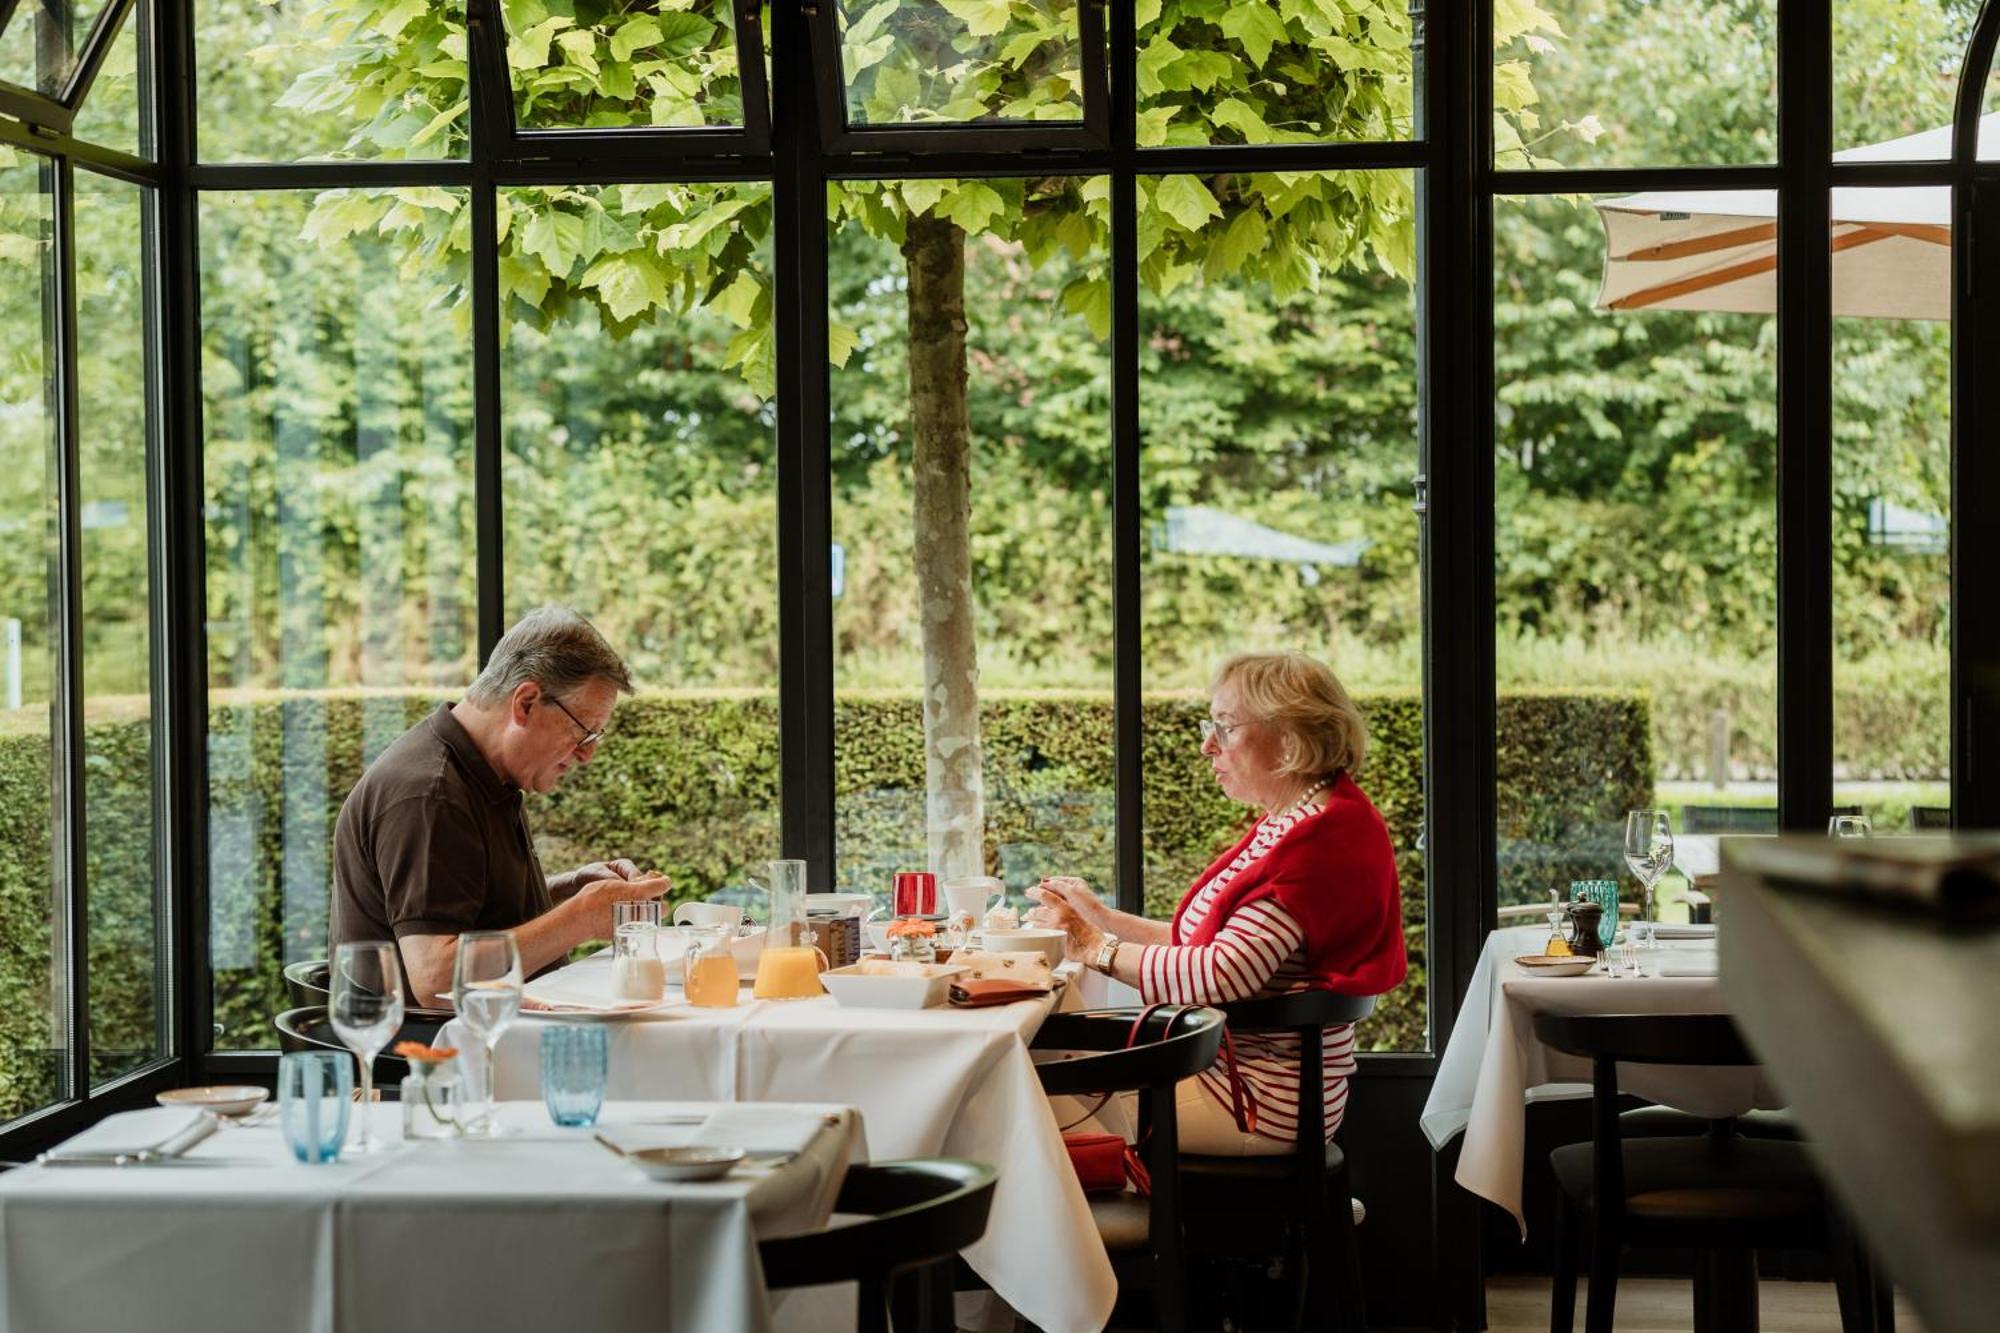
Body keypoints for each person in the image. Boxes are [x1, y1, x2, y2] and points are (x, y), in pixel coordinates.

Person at [1029, 650, 1405, 1155]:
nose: (1208, 745)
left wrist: (1096, 948)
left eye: (1226, 728)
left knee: (1031, 1090)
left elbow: (1223, 974)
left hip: (1254, 1100)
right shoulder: (1305, 817)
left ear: (1290, 740)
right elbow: (1211, 945)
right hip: (1245, 1080)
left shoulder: (1317, 842)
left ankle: (1122, 1233)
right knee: (1044, 1067)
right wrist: (1103, 919)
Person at [330, 606, 670, 1006]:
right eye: (583, 732)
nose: (587, 755)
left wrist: (569, 890)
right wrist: (580, 917)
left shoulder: (479, 774)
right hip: (433, 1053)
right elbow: (435, 977)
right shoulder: (431, 795)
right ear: (525, 702)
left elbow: (466, 912)